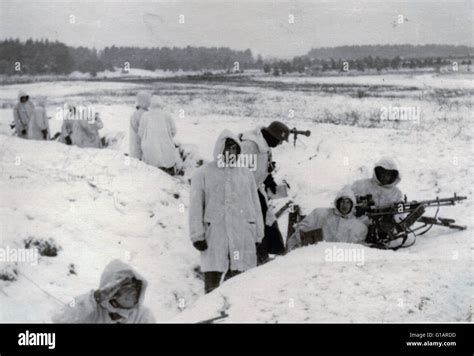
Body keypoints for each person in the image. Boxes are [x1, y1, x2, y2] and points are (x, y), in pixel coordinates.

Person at [189, 130, 264, 294]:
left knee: (241, 283)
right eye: (228, 148)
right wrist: (197, 235)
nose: (232, 152)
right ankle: (210, 314)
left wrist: (258, 233)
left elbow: (255, 205)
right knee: (213, 285)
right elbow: (195, 207)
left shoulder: (245, 174)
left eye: (235, 149)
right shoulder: (203, 173)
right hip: (215, 236)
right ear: (220, 149)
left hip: (242, 235)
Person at [239, 121, 290, 264]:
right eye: (280, 141)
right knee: (253, 224)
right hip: (241, 193)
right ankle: (253, 257)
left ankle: (265, 254)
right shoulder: (250, 146)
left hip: (254, 190)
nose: (280, 144)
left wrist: (269, 180)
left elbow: (264, 167)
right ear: (273, 136)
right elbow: (236, 170)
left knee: (266, 221)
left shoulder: (266, 146)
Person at [53, 260, 155, 323]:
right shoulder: (93, 309)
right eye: (126, 288)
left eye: (136, 289)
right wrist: (94, 298)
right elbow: (60, 319)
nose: (132, 294)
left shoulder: (143, 316)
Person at [287, 186, 368, 251]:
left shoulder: (358, 226)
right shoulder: (321, 214)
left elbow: (359, 248)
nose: (344, 205)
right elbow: (301, 230)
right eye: (342, 201)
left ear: (352, 205)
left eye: (348, 202)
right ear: (338, 202)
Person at [129, 91, 181, 174]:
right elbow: (174, 131)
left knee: (153, 170)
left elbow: (140, 133)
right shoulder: (167, 115)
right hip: (167, 148)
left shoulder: (145, 116)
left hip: (150, 149)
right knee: (167, 166)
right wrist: (167, 137)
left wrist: (148, 139)